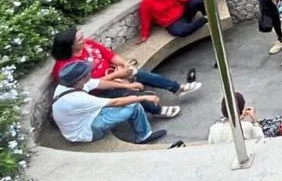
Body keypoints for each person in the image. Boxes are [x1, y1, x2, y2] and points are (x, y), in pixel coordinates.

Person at [50, 28, 200, 118]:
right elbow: (91, 84)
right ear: (69, 45)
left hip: (115, 72)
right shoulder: (66, 66)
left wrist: (124, 65)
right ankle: (156, 110)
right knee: (130, 95)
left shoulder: (88, 44)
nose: (84, 39)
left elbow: (109, 55)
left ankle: (176, 88)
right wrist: (118, 76)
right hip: (98, 90)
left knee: (142, 75)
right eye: (79, 39)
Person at [51, 60, 167, 145]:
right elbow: (116, 102)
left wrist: (126, 85)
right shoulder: (78, 99)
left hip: (84, 118)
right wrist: (144, 98)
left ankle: (142, 132)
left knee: (129, 100)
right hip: (86, 131)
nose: (90, 72)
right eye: (88, 72)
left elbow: (99, 83)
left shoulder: (66, 85)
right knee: (133, 104)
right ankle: (143, 137)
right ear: (80, 79)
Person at [139, 0, 208, 40]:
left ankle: (207, 14)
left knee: (197, 0)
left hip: (184, 12)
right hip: (172, 22)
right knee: (181, 31)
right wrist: (144, 35)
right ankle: (204, 20)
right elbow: (145, 18)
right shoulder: (147, 2)